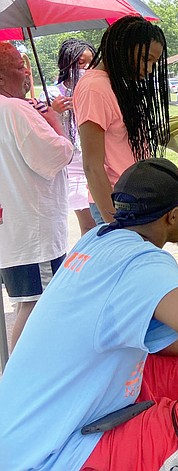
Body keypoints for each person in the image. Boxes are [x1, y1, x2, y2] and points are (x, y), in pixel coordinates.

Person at [0, 158, 178, 471]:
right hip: (57, 453)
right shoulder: (141, 260)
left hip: (25, 437)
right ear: (173, 216)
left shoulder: (96, 241)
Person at [0, 42, 73, 352]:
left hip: (14, 230)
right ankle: (20, 378)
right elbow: (57, 154)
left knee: (29, 306)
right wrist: (54, 123)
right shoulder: (15, 109)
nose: (26, 73)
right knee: (38, 308)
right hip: (34, 232)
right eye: (19, 67)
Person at [74, 15, 171, 225]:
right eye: (147, 60)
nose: (150, 69)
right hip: (118, 204)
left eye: (155, 62)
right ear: (121, 46)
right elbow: (92, 165)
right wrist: (115, 223)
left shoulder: (117, 83)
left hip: (135, 198)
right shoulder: (95, 88)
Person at [39, 38, 97, 235]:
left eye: (91, 62)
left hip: (94, 163)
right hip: (69, 167)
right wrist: (53, 111)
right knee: (89, 224)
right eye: (81, 63)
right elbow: (41, 131)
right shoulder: (52, 94)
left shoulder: (94, 90)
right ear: (67, 64)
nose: (87, 68)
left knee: (96, 222)